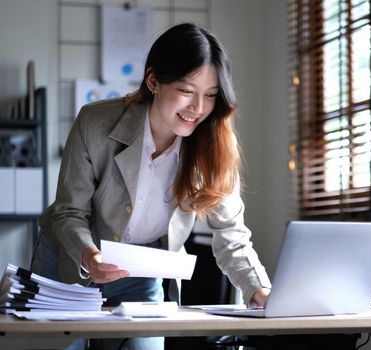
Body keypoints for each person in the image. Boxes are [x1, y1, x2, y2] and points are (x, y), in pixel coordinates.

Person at [31, 22, 271, 350]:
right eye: (187, 91)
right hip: (70, 262)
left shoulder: (214, 145)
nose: (198, 109)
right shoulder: (95, 123)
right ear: (154, 80)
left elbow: (231, 237)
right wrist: (90, 257)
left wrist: (259, 289)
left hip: (138, 274)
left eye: (211, 96)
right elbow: (68, 213)